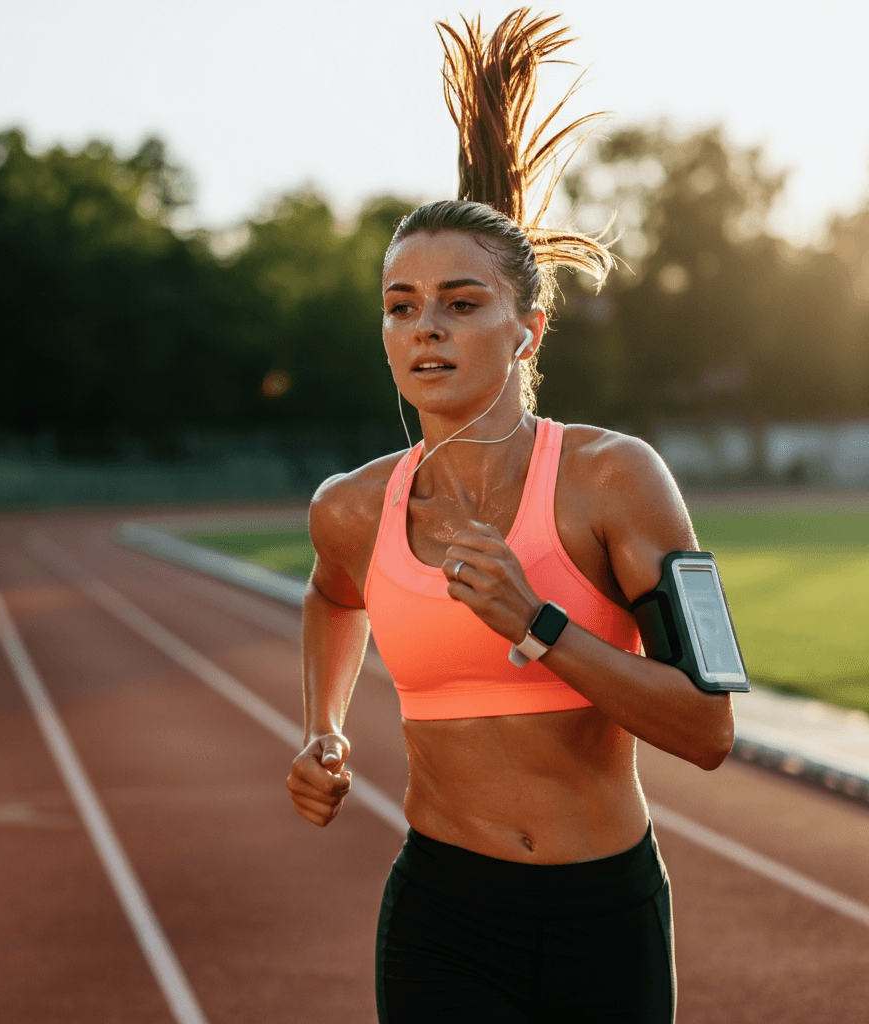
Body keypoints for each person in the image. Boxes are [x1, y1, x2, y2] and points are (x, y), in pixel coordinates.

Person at [286, 9, 734, 1023]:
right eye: (400, 306)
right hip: (443, 911)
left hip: (601, 916)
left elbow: (707, 728)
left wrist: (541, 625)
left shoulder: (617, 478)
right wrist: (319, 728)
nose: (425, 329)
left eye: (459, 303)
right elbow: (330, 596)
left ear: (526, 330)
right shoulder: (351, 506)